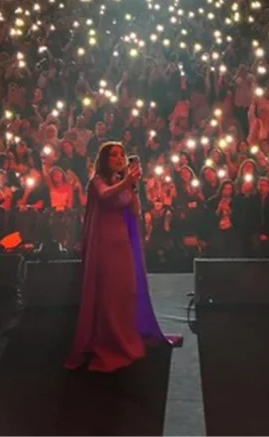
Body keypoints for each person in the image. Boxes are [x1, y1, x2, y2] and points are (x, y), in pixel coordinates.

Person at [66, 142, 167, 372]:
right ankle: (108, 342)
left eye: (122, 154)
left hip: (122, 243)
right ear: (105, 159)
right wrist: (126, 182)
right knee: (109, 293)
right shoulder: (97, 182)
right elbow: (103, 195)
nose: (119, 158)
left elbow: (134, 211)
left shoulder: (124, 184)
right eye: (114, 155)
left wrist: (134, 188)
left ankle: (126, 336)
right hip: (104, 244)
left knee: (125, 290)